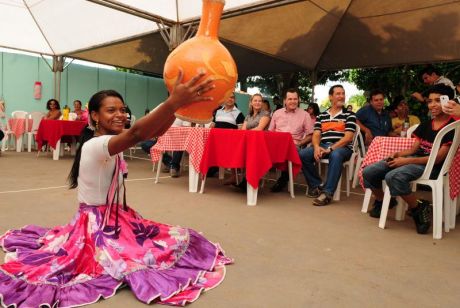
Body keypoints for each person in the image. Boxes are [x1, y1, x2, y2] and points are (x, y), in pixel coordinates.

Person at [0, 71, 232, 307]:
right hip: (96, 225)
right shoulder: (97, 144)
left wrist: (179, 108)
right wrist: (174, 101)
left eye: (122, 109)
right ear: (94, 116)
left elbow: (155, 132)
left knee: (176, 240)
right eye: (111, 110)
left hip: (116, 216)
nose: (120, 115)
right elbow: (139, 132)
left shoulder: (112, 137)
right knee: (160, 249)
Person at [363, 84, 456, 234]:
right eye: (430, 101)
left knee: (393, 176)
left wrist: (406, 161)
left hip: (431, 167)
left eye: (438, 100)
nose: (432, 105)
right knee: (369, 171)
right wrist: (398, 155)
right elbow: (413, 150)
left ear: (449, 102)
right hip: (415, 160)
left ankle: (418, 208)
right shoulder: (426, 124)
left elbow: (437, 159)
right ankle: (384, 201)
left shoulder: (452, 127)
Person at [299, 85, 356, 206]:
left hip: (342, 147)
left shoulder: (349, 115)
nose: (341, 96)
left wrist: (330, 148)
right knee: (302, 154)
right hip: (323, 145)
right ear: (330, 97)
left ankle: (327, 193)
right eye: (338, 94)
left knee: (335, 155)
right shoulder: (322, 115)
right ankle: (317, 185)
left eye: (343, 93)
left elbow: (348, 138)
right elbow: (316, 135)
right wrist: (316, 147)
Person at [269, 88, 313, 192]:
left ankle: (283, 180)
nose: (293, 101)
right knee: (258, 151)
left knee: (291, 150)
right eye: (290, 99)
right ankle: (248, 180)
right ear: (285, 100)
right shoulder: (277, 113)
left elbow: (311, 135)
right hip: (276, 143)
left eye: (295, 99)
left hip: (294, 145)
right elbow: (270, 132)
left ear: (298, 100)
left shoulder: (305, 115)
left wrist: (300, 143)